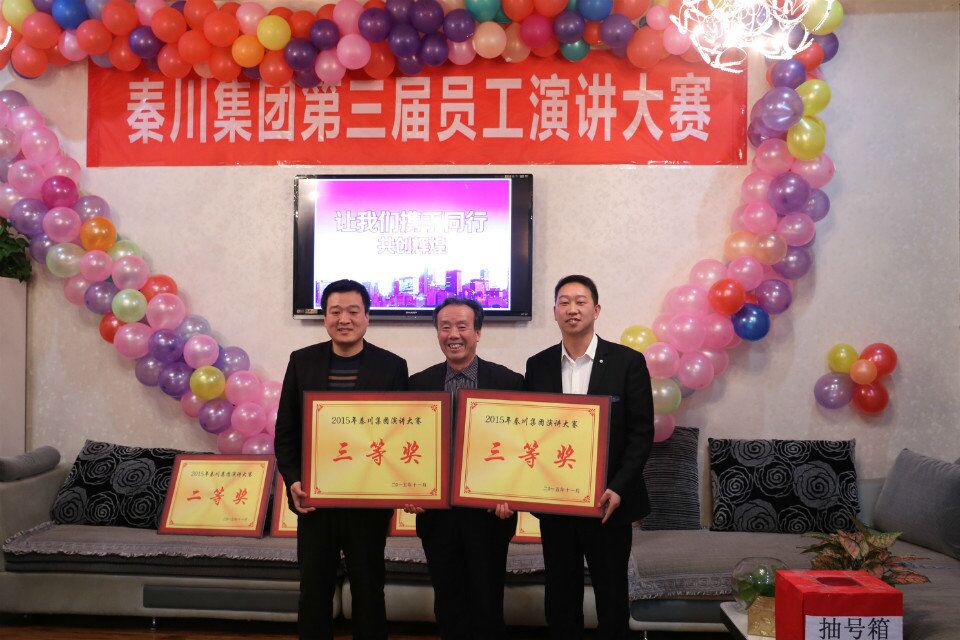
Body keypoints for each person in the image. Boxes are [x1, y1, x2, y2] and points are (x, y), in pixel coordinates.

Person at [274, 279, 408, 640]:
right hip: (316, 501)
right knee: (314, 590)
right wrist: (293, 480)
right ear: (325, 317)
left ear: (367, 317)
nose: (343, 319)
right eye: (335, 311)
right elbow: (286, 431)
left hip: (369, 502)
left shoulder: (392, 366)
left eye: (352, 311)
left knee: (369, 589)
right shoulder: (302, 362)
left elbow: (402, 434)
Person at [523, 275, 654, 640]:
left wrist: (619, 488)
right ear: (554, 311)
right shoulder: (538, 365)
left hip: (608, 502)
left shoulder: (628, 362)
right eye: (564, 302)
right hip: (557, 503)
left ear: (596, 310)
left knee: (612, 596)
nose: (572, 309)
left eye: (580, 302)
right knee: (560, 596)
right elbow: (530, 431)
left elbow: (641, 433)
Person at [404, 297, 523, 640]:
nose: (453, 335)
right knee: (448, 604)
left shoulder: (509, 382)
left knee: (487, 605)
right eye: (445, 327)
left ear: (478, 332)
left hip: (489, 515)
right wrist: (409, 491)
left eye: (462, 326)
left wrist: (512, 494)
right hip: (437, 516)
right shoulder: (418, 384)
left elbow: (521, 447)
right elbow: (406, 445)